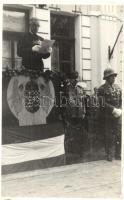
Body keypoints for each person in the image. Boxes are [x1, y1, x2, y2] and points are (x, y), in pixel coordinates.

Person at [98, 67, 122, 161]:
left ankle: (118, 154)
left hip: (118, 115)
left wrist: (119, 110)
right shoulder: (101, 89)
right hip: (107, 116)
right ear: (107, 78)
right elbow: (102, 103)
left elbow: (121, 100)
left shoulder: (118, 88)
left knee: (119, 134)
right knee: (108, 135)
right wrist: (113, 110)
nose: (114, 78)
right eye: (112, 76)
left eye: (114, 76)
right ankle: (109, 154)